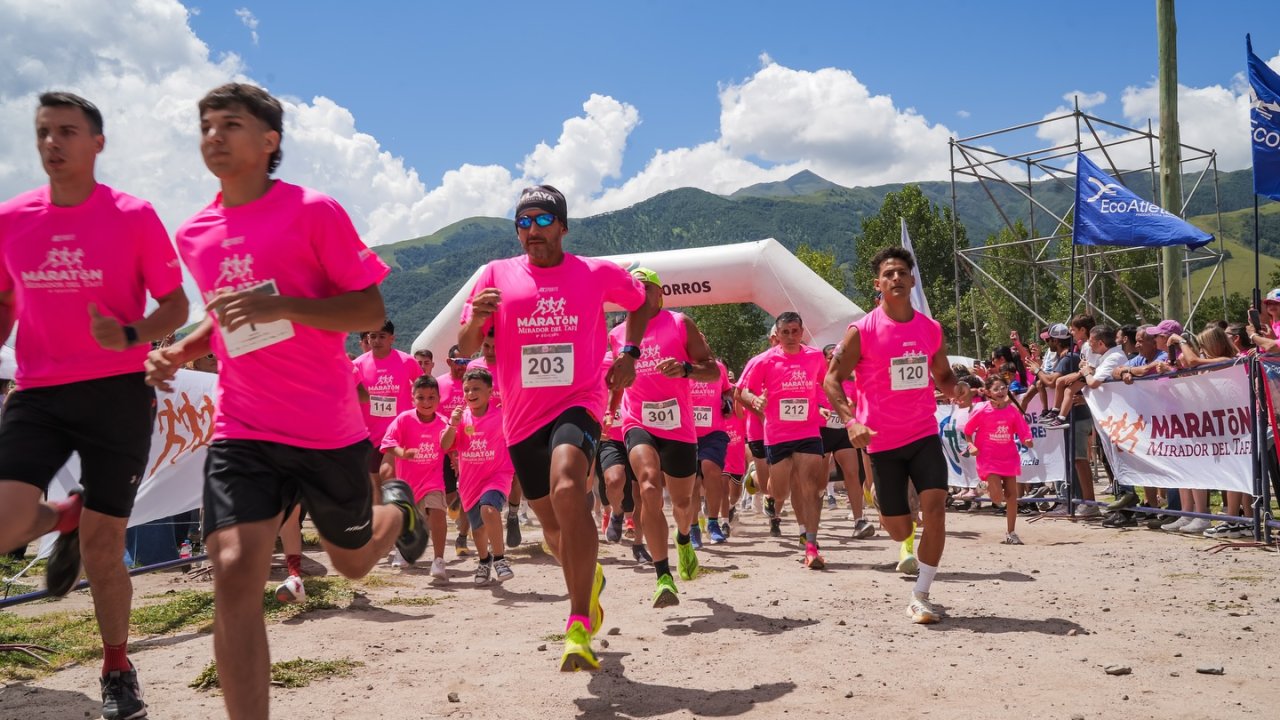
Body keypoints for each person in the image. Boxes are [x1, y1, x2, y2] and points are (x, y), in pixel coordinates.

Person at [144, 83, 427, 720]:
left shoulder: (313, 211)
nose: (214, 135)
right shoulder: (196, 232)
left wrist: (285, 305)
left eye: (231, 124)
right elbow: (224, 320)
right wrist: (177, 353)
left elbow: (368, 310)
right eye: (207, 125)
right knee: (236, 566)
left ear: (269, 141)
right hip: (243, 428)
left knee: (353, 563)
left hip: (326, 429)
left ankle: (398, 512)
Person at [0, 91, 188, 719]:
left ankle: (117, 667)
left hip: (116, 393)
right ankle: (61, 519)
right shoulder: (11, 218)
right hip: (39, 392)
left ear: (97, 143)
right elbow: (4, 301)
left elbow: (176, 305)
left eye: (68, 132)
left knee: (106, 546)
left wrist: (133, 335)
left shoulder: (134, 215)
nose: (53, 143)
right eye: (44, 132)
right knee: (3, 522)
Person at [457, 184, 656, 672]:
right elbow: (464, 346)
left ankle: (578, 622)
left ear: (563, 226)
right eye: (523, 223)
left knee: (569, 485)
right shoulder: (495, 275)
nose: (532, 231)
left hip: (579, 402)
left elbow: (646, 297)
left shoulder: (593, 272)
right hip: (522, 419)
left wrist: (629, 354)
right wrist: (478, 319)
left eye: (542, 221)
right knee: (551, 528)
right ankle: (590, 582)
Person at [825, 246, 971, 624]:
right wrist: (852, 421)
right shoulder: (862, 331)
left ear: (912, 280)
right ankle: (881, 500)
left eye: (902, 272)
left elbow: (942, 376)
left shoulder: (930, 328)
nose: (896, 278)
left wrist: (957, 389)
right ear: (878, 284)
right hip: (882, 441)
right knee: (899, 528)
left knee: (936, 509)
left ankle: (921, 594)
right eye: (888, 274)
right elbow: (832, 380)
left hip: (923, 433)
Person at [608, 267, 718, 606]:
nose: (639, 293)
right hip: (638, 419)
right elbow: (617, 380)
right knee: (649, 486)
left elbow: (712, 370)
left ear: (660, 294)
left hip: (679, 425)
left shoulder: (680, 323)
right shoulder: (617, 335)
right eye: (634, 288)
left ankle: (684, 538)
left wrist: (686, 369)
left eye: (647, 287)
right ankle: (663, 577)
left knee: (684, 504)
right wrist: (610, 406)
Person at [740, 312, 830, 569]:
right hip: (777, 434)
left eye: (795, 331)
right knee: (780, 491)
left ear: (802, 332)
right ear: (777, 336)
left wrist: (823, 406)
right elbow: (743, 390)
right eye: (785, 332)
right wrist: (755, 400)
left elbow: (823, 385)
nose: (790, 337)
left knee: (809, 486)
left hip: (808, 430)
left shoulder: (814, 357)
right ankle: (758, 482)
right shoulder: (764, 361)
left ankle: (811, 546)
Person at [379, 375, 452, 579]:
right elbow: (388, 442)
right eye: (421, 397)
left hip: (433, 481)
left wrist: (455, 457)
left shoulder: (444, 422)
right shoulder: (404, 419)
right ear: (413, 399)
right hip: (408, 484)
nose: (426, 402)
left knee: (437, 513)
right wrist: (402, 453)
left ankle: (438, 560)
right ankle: (402, 551)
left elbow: (451, 445)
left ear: (439, 399)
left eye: (431, 397)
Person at [450, 367, 516, 584]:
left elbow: (517, 436)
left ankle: (499, 559)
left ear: (490, 391)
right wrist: (452, 425)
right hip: (470, 483)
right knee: (478, 530)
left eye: (476, 389)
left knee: (489, 510)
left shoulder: (502, 416)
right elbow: (444, 445)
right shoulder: (460, 419)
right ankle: (484, 561)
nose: (470, 394)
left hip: (498, 475)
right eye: (466, 389)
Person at [353, 320, 423, 508]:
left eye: (382, 336)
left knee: (388, 475)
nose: (376, 341)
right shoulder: (357, 365)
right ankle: (382, 522)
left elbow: (425, 387)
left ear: (392, 338)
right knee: (374, 481)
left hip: (400, 433)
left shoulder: (407, 361)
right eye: (372, 336)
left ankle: (401, 515)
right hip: (369, 435)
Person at [964, 375, 1034, 544]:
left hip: (1009, 457)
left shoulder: (1012, 411)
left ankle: (1011, 532)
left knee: (1011, 496)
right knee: (997, 499)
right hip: (988, 459)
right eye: (996, 389)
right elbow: (967, 431)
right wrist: (971, 445)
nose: (1001, 392)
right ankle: (984, 486)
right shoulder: (982, 410)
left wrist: (1027, 439)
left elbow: (1023, 430)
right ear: (988, 392)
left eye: (1003, 388)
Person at [690, 356, 734, 544]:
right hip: (686, 432)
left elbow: (727, 391)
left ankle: (713, 523)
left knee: (712, 470)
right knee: (692, 481)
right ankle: (692, 528)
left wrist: (728, 404)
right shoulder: (679, 367)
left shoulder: (718, 368)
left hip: (714, 431)